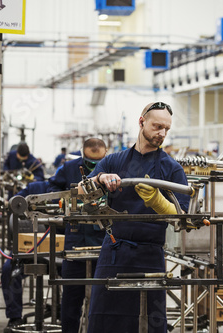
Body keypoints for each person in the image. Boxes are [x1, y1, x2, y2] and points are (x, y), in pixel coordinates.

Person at [83, 102, 189, 333]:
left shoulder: (172, 169)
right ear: (141, 122)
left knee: (151, 322)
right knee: (105, 319)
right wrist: (101, 178)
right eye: (157, 126)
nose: (162, 133)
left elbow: (183, 218)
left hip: (150, 255)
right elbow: (82, 191)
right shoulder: (114, 161)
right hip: (114, 251)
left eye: (166, 129)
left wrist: (158, 202)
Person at [47, 138, 107, 333]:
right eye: (90, 162)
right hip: (75, 240)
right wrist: (65, 201)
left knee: (104, 298)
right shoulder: (68, 168)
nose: (94, 167)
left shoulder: (114, 168)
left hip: (105, 241)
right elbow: (52, 190)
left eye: (98, 163)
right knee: (72, 298)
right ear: (82, 154)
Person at [1, 180, 50, 330]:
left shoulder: (80, 190)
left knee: (76, 272)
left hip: (60, 251)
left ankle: (71, 314)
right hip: (30, 249)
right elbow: (15, 203)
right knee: (9, 270)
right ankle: (15, 317)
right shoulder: (38, 187)